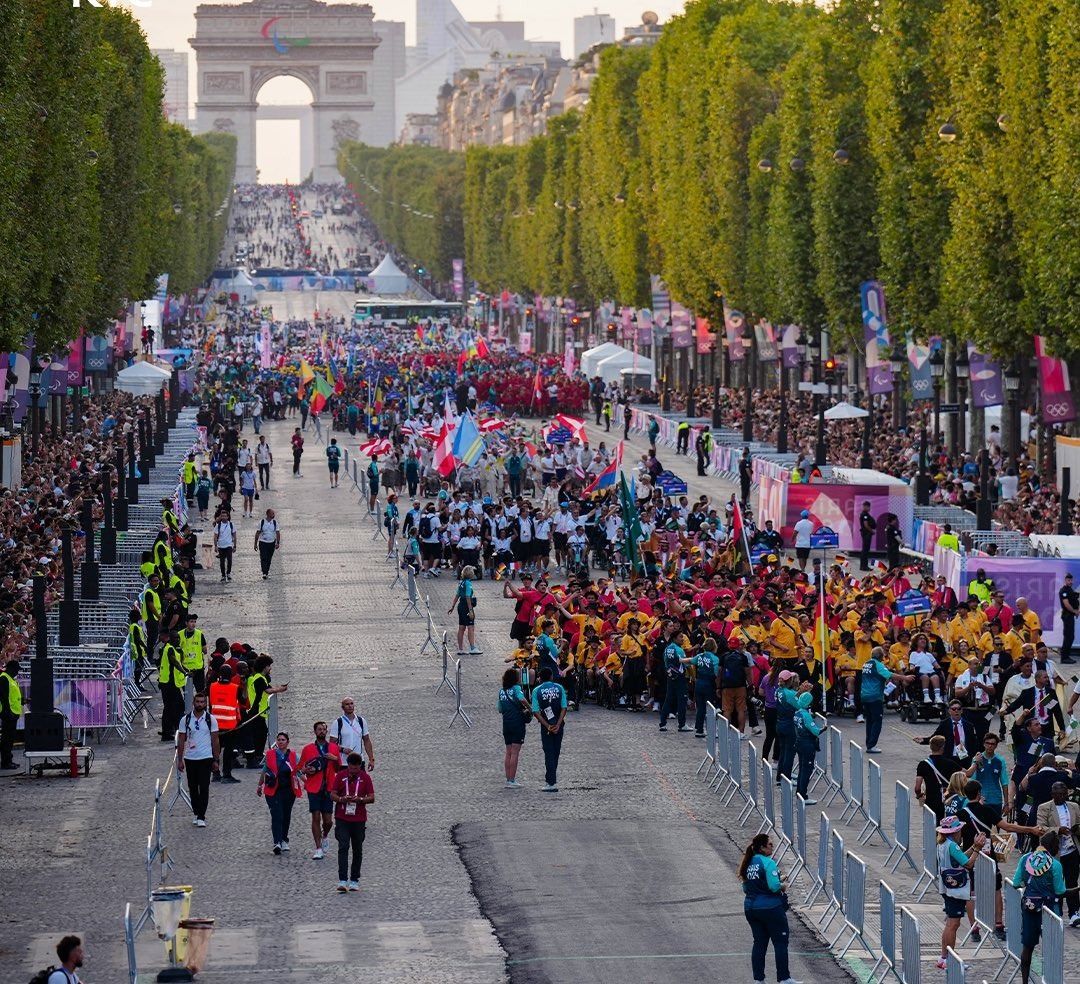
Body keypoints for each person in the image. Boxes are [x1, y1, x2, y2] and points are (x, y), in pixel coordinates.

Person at [738, 832, 801, 984]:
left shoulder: (748, 863)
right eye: (770, 844)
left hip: (751, 908)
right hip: (771, 908)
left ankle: (759, 979)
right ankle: (784, 978)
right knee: (780, 943)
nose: (772, 847)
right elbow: (773, 887)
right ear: (763, 847)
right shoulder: (768, 862)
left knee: (759, 943)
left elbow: (746, 887)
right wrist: (783, 886)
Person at [1012, 832, 1066, 984]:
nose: (1058, 850)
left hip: (1029, 908)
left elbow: (1016, 883)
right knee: (1052, 947)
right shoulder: (1055, 864)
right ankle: (1052, 979)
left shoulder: (1025, 859)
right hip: (1049, 911)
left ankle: (1024, 981)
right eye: (1057, 846)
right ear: (1052, 846)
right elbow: (1060, 890)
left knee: (1027, 946)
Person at [935, 815, 986, 969]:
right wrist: (977, 848)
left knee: (950, 924)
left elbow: (960, 857)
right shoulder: (952, 846)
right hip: (955, 890)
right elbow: (968, 864)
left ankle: (943, 958)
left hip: (947, 887)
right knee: (953, 924)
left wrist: (973, 846)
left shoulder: (943, 844)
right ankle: (948, 959)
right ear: (955, 832)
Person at [1034, 781, 1080, 926]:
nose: (1060, 797)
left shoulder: (1074, 807)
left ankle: (1074, 913)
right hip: (1054, 852)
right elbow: (1040, 828)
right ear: (1052, 794)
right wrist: (1057, 830)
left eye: (1063, 794)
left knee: (1072, 882)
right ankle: (1056, 911)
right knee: (1055, 882)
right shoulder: (1044, 808)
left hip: (1072, 850)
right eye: (1057, 794)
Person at [330, 752, 374, 892]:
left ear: (359, 767)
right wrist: (342, 799)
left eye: (355, 769)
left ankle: (354, 879)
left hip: (359, 818)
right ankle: (342, 880)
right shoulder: (341, 776)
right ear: (347, 765)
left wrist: (360, 800)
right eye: (351, 768)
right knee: (343, 847)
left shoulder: (365, 778)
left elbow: (372, 797)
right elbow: (333, 794)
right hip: (342, 817)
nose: (353, 771)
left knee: (357, 849)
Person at [176, 692, 221, 828]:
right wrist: (180, 759)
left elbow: (215, 739)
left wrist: (216, 759)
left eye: (202, 702)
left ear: (206, 704)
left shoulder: (211, 719)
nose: (200, 704)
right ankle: (196, 812)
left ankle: (202, 815)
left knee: (204, 786)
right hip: (190, 758)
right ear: (193, 703)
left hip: (206, 757)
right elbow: (181, 740)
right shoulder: (185, 719)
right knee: (193, 787)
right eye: (198, 702)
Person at [298, 721, 340, 860]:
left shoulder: (333, 748)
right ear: (315, 732)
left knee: (328, 821)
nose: (322, 731)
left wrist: (334, 759)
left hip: (329, 787)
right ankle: (318, 848)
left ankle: (325, 835)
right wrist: (305, 771)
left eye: (324, 729)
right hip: (313, 787)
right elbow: (299, 769)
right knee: (315, 816)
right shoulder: (308, 749)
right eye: (319, 729)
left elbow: (339, 769)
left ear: (326, 732)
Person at [257, 731, 303, 854]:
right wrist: (259, 785)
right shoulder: (270, 754)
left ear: (287, 742)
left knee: (286, 815)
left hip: (289, 790)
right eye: (279, 740)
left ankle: (284, 840)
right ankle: (277, 842)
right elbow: (264, 770)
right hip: (273, 789)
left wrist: (308, 782)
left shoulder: (293, 755)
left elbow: (298, 771)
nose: (281, 742)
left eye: (283, 740)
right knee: (277, 815)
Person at [860, 647, 913, 753]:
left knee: (869, 721)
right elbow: (890, 675)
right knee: (877, 721)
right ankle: (872, 745)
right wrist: (905, 678)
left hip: (865, 695)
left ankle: (869, 744)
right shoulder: (878, 665)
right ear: (881, 656)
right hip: (875, 696)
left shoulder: (866, 664)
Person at [531, 666, 567, 792]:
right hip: (559, 724)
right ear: (551, 676)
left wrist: (547, 726)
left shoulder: (536, 691)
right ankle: (552, 778)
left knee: (548, 752)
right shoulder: (559, 688)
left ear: (540, 678)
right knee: (556, 751)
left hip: (546, 726)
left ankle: (551, 781)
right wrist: (558, 724)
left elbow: (535, 711)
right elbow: (564, 707)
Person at [208, 665, 242, 783]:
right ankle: (227, 774)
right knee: (228, 750)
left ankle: (215, 773)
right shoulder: (235, 688)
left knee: (215, 750)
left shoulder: (212, 686)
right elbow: (243, 701)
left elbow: (210, 704)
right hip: (230, 724)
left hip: (215, 724)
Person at [499, 667, 530, 787]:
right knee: (515, 752)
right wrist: (530, 708)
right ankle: (512, 780)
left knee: (508, 752)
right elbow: (522, 699)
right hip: (517, 723)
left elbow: (500, 709)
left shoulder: (501, 691)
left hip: (506, 723)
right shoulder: (517, 688)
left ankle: (508, 779)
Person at [658, 621, 690, 733]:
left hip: (670, 677)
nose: (683, 639)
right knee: (682, 701)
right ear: (675, 638)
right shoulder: (679, 649)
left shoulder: (667, 648)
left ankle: (662, 723)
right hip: (680, 678)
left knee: (668, 700)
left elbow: (665, 661)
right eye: (681, 637)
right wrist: (693, 660)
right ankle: (682, 725)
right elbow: (685, 663)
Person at [329, 697, 375, 769]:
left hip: (359, 761)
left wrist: (371, 759)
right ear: (343, 707)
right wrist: (343, 750)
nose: (350, 706)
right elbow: (332, 744)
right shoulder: (338, 723)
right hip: (344, 762)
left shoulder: (361, 721)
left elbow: (366, 740)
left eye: (351, 703)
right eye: (347, 704)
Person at [792, 689, 821, 803]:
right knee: (806, 770)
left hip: (799, 742)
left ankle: (799, 792)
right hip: (807, 744)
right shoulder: (806, 715)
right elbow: (815, 731)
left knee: (802, 769)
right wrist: (822, 729)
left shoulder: (797, 713)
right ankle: (802, 795)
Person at [451, 565, 481, 655]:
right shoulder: (468, 583)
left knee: (461, 627)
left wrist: (452, 606)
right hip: (466, 606)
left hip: (460, 606)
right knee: (470, 627)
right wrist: (470, 610)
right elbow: (468, 596)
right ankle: (472, 647)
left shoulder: (461, 582)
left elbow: (457, 595)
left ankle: (460, 649)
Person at [0, 658, 23, 770]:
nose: (17, 672)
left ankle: (8, 760)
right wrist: (7, 712)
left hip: (12, 713)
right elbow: (4, 698)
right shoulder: (4, 679)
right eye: (16, 669)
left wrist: (23, 700)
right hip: (8, 713)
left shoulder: (11, 679)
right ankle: (5, 762)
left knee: (9, 739)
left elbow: (13, 697)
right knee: (6, 739)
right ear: (11, 668)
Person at [254, 508, 281, 580]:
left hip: (271, 543)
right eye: (272, 513)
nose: (274, 515)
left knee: (269, 558)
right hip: (263, 542)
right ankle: (264, 572)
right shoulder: (262, 522)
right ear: (268, 514)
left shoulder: (275, 523)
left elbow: (278, 533)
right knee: (263, 557)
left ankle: (267, 570)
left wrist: (278, 543)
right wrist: (255, 543)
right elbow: (257, 533)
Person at [213, 511, 236, 582]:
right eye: (222, 516)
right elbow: (215, 536)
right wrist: (216, 546)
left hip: (229, 545)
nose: (224, 517)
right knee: (222, 562)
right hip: (221, 546)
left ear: (228, 517)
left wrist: (235, 546)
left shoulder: (231, 525)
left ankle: (228, 573)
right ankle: (223, 575)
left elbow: (234, 536)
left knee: (229, 560)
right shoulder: (218, 526)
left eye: (225, 516)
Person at [858, 501, 876, 571]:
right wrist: (872, 531)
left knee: (865, 550)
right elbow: (866, 525)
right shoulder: (864, 515)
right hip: (866, 534)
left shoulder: (865, 514)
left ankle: (863, 566)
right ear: (866, 506)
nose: (869, 508)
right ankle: (864, 566)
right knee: (865, 550)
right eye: (868, 507)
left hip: (866, 533)